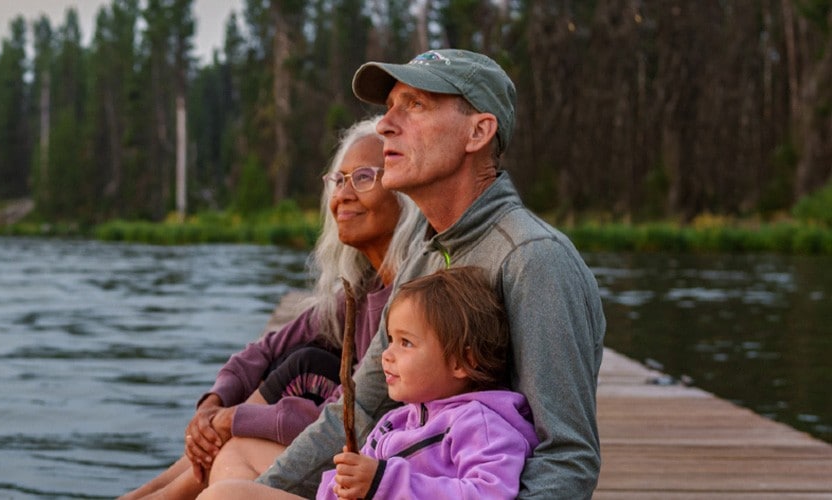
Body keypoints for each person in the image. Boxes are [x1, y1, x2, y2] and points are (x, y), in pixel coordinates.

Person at [251, 49, 606, 499]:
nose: (384, 126)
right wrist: (267, 489)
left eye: (415, 105)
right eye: (390, 107)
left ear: (478, 132)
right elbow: (362, 403)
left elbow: (568, 458)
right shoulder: (424, 252)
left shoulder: (534, 261)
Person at [119, 116, 420, 499]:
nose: (343, 194)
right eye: (338, 180)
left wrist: (232, 418)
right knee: (301, 360)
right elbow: (265, 350)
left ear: (404, 190)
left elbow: (354, 417)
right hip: (340, 452)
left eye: (362, 177)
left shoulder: (413, 301)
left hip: (375, 469)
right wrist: (213, 404)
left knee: (233, 454)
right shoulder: (362, 292)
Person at [200, 266, 539, 500]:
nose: (386, 356)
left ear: (463, 361)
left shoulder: (481, 425)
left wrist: (381, 481)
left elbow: (488, 494)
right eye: (389, 340)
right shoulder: (397, 421)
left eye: (406, 343)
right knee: (226, 493)